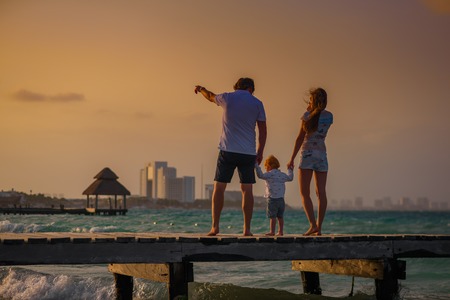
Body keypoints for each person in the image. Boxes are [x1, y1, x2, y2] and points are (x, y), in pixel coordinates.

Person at [194, 78, 267, 236]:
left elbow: (210, 96)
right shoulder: (257, 103)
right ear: (250, 88)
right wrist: (260, 152)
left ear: (237, 87)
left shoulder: (227, 97)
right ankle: (247, 229)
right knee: (247, 190)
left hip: (228, 151)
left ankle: (215, 227)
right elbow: (263, 131)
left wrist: (201, 89)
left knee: (219, 188)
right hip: (248, 152)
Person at [287, 88, 333, 236]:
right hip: (322, 155)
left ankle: (312, 225)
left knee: (304, 193)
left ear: (313, 101)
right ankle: (319, 227)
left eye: (310, 100)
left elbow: (300, 138)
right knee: (321, 192)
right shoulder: (329, 116)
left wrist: (292, 158)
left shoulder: (306, 116)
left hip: (307, 154)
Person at [255, 155, 294, 236]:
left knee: (272, 217)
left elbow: (260, 175)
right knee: (280, 216)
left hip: (272, 199)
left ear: (268, 166)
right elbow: (290, 178)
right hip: (281, 199)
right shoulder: (282, 175)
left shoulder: (269, 174)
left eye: (266, 167)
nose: (266, 169)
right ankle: (280, 231)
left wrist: (256, 165)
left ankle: (272, 231)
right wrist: (290, 169)